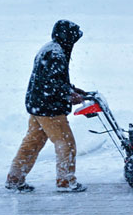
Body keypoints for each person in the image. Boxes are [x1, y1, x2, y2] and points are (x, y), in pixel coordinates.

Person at [5, 20, 87, 192]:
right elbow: (52, 84)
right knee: (66, 143)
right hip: (49, 109)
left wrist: (71, 89)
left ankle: (15, 178)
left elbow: (52, 80)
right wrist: (69, 95)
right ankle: (65, 181)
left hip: (38, 106)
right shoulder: (55, 54)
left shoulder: (50, 49)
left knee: (32, 142)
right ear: (67, 36)